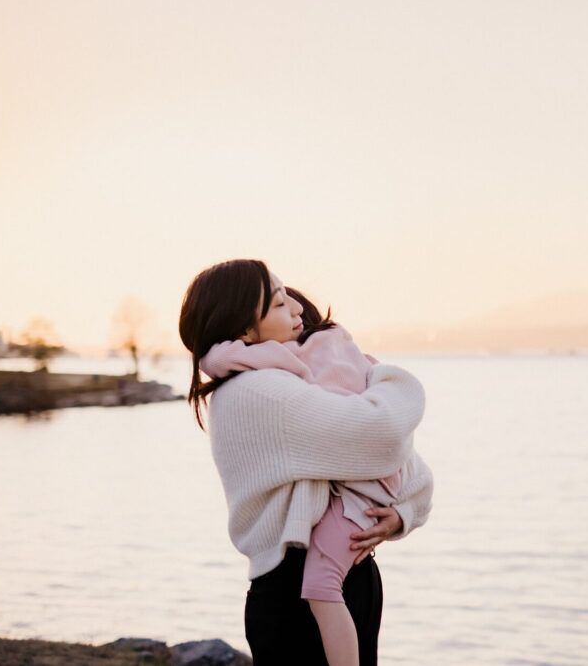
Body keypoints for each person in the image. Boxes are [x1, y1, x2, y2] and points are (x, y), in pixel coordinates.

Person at [178, 259, 434, 665]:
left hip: (348, 576)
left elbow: (405, 462)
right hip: (295, 591)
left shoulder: (291, 381)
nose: (296, 310)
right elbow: (384, 435)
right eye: (279, 303)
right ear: (245, 329)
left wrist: (404, 512)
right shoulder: (259, 393)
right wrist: (386, 377)